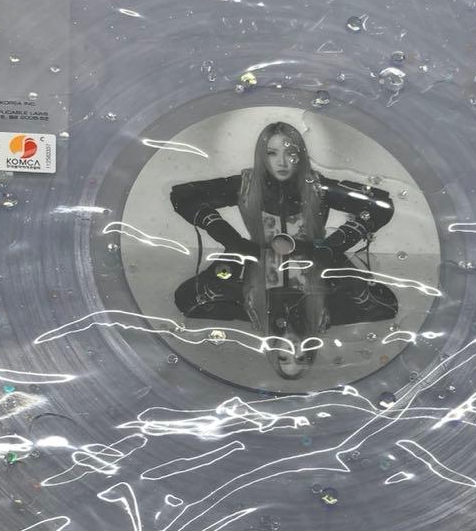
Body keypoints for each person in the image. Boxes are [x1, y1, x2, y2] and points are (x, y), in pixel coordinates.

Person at [170, 120, 397, 377]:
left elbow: (381, 205)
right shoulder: (247, 185)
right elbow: (182, 196)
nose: (282, 162)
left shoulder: (316, 187)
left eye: (290, 152)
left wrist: (330, 247)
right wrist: (232, 240)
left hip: (309, 266)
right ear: (262, 155)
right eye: (272, 152)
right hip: (257, 263)